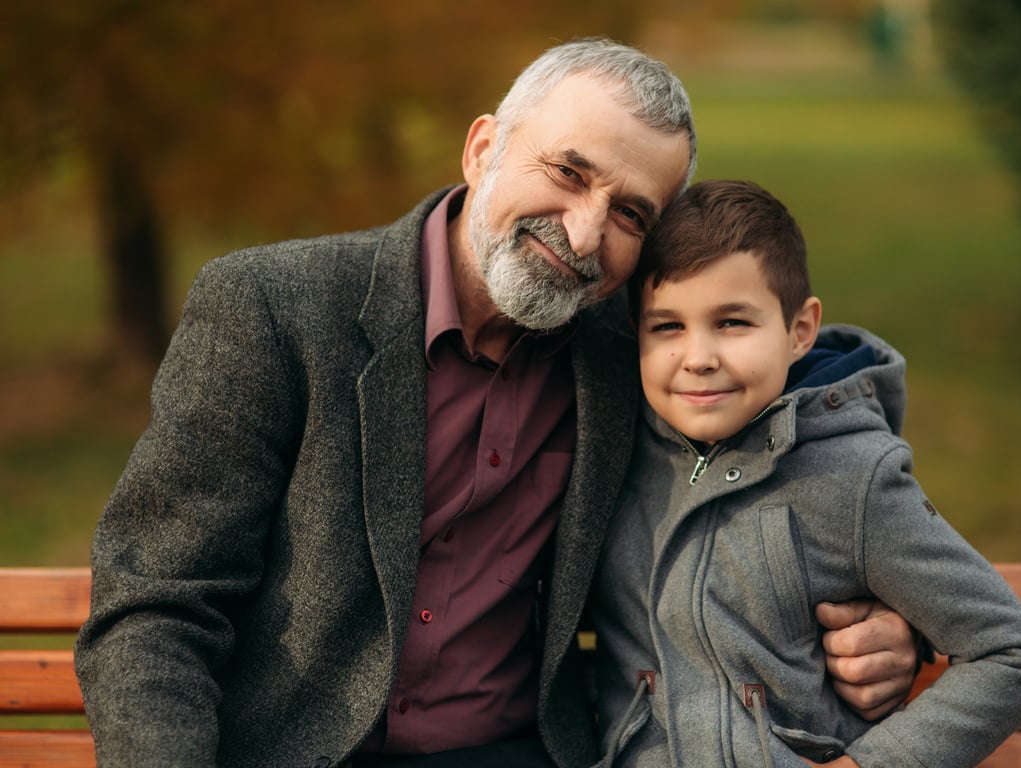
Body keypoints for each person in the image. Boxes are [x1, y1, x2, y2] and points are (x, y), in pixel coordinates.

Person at [74, 39, 921, 768]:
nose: (584, 235)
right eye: (568, 171)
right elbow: (156, 605)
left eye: (629, 213)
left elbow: (802, 439)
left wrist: (889, 623)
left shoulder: (638, 357)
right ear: (482, 150)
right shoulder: (274, 309)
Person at [591, 179, 1021, 768]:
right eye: (667, 327)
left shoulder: (853, 476)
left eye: (732, 322)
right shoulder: (614, 455)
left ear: (799, 331)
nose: (699, 356)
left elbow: (1011, 653)